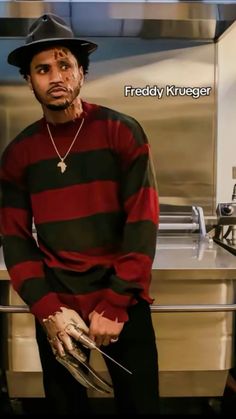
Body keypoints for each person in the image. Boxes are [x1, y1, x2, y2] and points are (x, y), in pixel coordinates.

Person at [0, 14, 160, 415]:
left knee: (141, 407)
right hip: (59, 308)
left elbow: (142, 222)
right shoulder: (19, 154)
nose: (56, 76)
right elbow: (16, 240)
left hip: (122, 305)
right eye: (42, 69)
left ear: (82, 73)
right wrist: (48, 310)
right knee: (64, 408)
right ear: (29, 80)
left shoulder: (122, 132)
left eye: (65, 65)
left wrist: (116, 303)